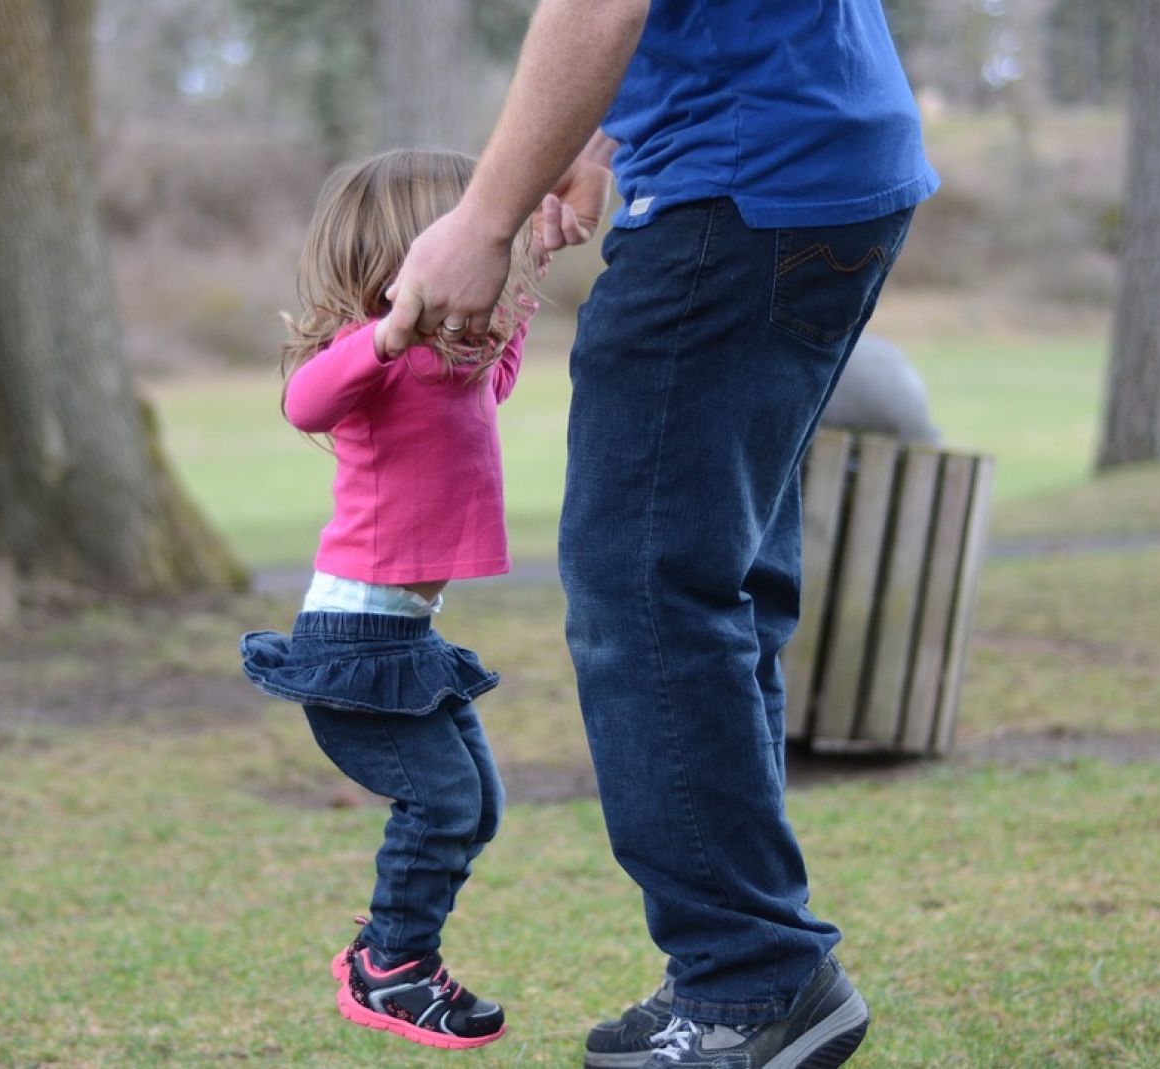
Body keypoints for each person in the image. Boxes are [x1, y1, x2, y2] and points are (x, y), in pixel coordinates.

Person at [378, 3, 939, 1067]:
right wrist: (591, 142)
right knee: (711, 588)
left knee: (643, 589)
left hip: (740, 181)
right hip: (810, 163)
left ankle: (750, 978)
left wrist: (484, 219)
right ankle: (746, 973)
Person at [238, 148, 543, 1051]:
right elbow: (302, 402)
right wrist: (384, 334)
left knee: (478, 804)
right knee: (445, 805)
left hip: (404, 639)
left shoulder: (450, 369)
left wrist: (528, 278)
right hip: (354, 641)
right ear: (410, 258)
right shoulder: (368, 362)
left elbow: (497, 378)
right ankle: (395, 967)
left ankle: (392, 951)